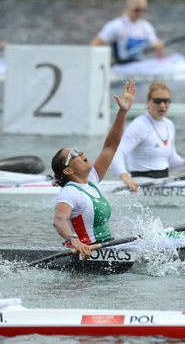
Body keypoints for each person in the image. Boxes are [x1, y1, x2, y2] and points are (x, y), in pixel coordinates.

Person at [51, 80, 135, 259]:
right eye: (73, 154)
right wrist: (74, 241)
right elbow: (59, 220)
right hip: (85, 252)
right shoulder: (70, 192)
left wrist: (123, 111)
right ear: (67, 171)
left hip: (104, 247)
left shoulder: (91, 181)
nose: (80, 152)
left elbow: (111, 146)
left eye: (77, 149)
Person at [111, 82, 185, 192]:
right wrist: (126, 179)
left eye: (166, 101)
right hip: (140, 185)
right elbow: (116, 153)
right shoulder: (139, 125)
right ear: (148, 101)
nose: (162, 105)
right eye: (157, 101)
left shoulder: (168, 125)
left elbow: (169, 159)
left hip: (163, 182)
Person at [91, 0, 165, 62]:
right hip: (121, 67)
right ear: (127, 7)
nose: (140, 13)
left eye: (143, 10)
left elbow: (160, 55)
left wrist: (159, 48)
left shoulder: (147, 27)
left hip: (139, 66)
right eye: (136, 9)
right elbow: (93, 45)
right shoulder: (116, 25)